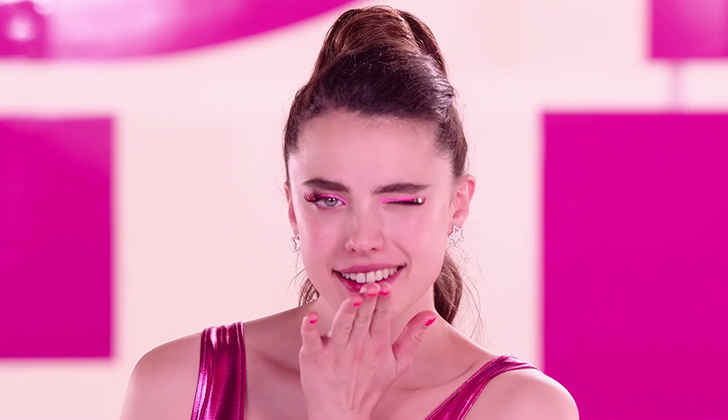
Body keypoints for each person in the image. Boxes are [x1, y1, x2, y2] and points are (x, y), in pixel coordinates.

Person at [120, 5, 578, 420]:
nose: (362, 238)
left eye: (402, 200)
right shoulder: (179, 385)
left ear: (458, 203)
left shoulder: (522, 408)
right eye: (329, 200)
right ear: (293, 209)